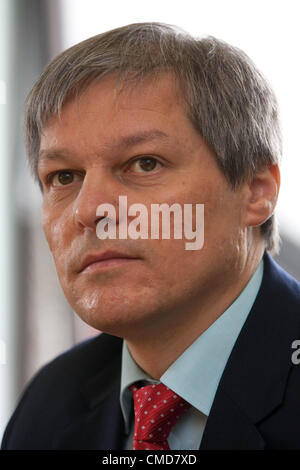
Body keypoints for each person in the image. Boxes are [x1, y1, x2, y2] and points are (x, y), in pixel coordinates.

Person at [2, 22, 300, 451]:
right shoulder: (48, 405)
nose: (89, 211)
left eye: (144, 164)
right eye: (63, 176)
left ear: (256, 191)